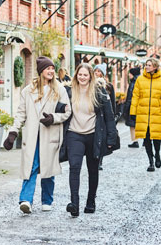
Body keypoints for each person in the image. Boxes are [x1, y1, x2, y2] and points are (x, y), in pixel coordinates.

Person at [3, 56, 71, 214]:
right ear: (41, 71)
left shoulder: (59, 89)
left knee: (48, 169)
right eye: (48, 68)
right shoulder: (28, 90)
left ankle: (47, 200)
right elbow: (21, 113)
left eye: (53, 68)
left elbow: (68, 111)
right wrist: (13, 132)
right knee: (31, 166)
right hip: (32, 136)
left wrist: (53, 118)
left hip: (50, 135)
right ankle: (26, 200)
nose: (51, 71)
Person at [65, 63, 116, 217]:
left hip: (94, 135)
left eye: (85, 75)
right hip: (74, 134)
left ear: (90, 76)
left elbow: (109, 116)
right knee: (74, 167)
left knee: (93, 169)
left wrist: (111, 138)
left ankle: (91, 201)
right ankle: (74, 204)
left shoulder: (99, 92)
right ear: (76, 75)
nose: (82, 77)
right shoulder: (68, 91)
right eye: (80, 74)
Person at [130, 58, 161, 172]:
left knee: (156, 137)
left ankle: (157, 154)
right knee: (147, 138)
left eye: (149, 65)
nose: (146, 67)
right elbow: (135, 96)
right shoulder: (140, 80)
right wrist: (133, 112)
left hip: (156, 114)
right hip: (143, 114)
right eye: (146, 65)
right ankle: (151, 161)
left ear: (155, 67)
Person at [93, 63, 116, 170]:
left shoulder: (108, 86)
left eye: (99, 71)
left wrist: (114, 116)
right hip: (95, 116)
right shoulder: (90, 84)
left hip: (105, 116)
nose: (97, 73)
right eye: (96, 71)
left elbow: (112, 102)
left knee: (102, 139)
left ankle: (99, 161)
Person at [124, 67, 141, 148]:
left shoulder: (133, 83)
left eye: (130, 73)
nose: (129, 75)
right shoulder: (140, 81)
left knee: (132, 125)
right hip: (139, 106)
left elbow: (130, 98)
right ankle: (142, 140)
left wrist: (125, 108)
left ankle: (135, 141)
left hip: (133, 107)